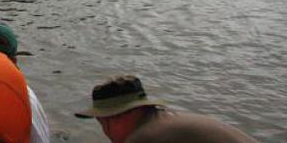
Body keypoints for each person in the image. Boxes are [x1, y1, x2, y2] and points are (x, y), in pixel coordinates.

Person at [75, 75, 256, 143]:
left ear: (118, 116)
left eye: (101, 120)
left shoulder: (145, 137)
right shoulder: (168, 122)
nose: (105, 133)